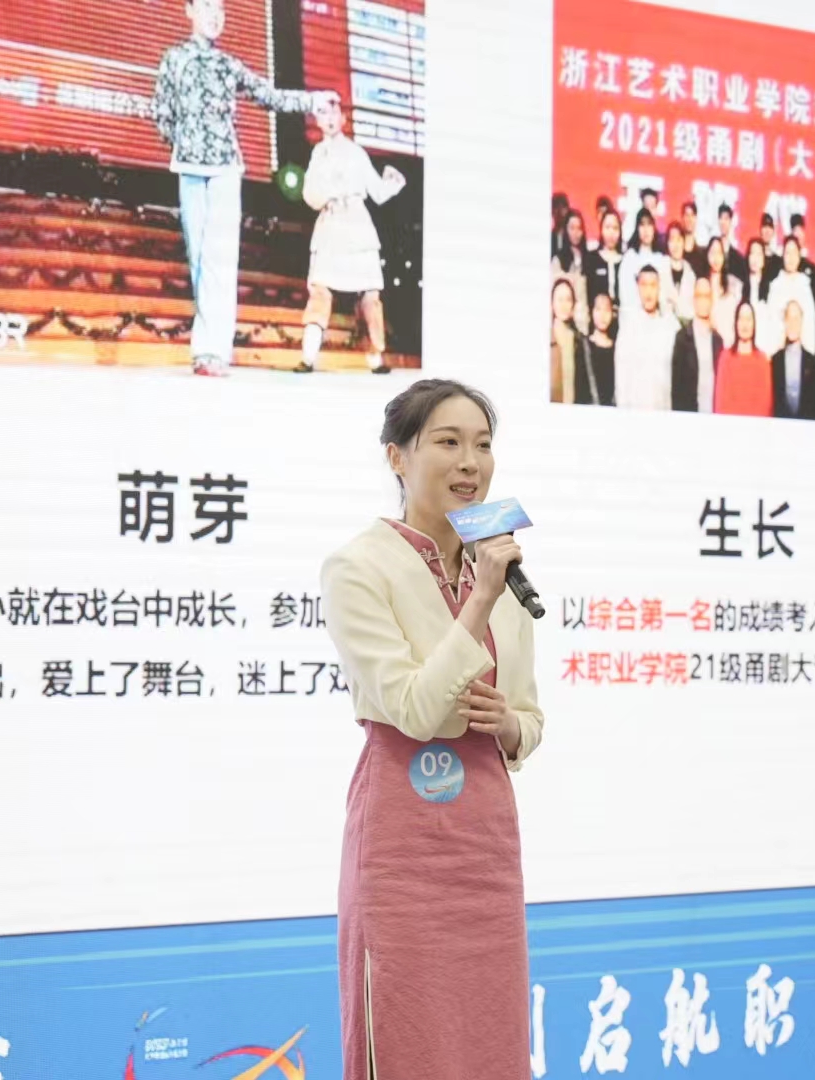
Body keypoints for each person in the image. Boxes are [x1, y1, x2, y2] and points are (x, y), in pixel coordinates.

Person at [321, 379, 545, 1080]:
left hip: (485, 842)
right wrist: (479, 598)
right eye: (448, 442)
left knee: (489, 1036)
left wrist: (510, 727)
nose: (469, 463)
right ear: (397, 457)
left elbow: (529, 717)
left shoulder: (500, 572)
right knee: (407, 1031)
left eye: (482, 445)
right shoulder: (358, 566)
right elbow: (414, 710)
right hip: (402, 844)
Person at [153, 0, 333, 377]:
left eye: (220, 10)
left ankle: (213, 352)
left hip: (225, 168)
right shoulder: (174, 59)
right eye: (206, 7)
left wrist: (313, 100)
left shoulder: (227, 64)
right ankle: (205, 349)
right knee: (198, 259)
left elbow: (269, 96)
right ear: (189, 11)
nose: (214, 16)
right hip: (189, 166)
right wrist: (185, 143)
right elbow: (162, 113)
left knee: (220, 260)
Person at [299, 94, 405, 374]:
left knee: (370, 295)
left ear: (343, 119)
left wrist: (392, 183)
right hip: (330, 225)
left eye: (334, 112)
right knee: (320, 291)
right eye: (324, 113)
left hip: (357, 227)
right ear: (317, 120)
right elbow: (309, 194)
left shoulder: (357, 153)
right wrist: (329, 194)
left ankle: (376, 358)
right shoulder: (317, 155)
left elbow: (377, 192)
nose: (330, 118)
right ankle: (308, 357)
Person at [614, 265, 679, 410]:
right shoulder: (628, 328)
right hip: (635, 409)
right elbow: (621, 377)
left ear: (659, 288)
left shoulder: (670, 325)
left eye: (653, 285)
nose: (648, 291)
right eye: (644, 285)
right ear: (637, 288)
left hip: (664, 407)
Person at [771, 300, 815, 420]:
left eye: (796, 319)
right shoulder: (775, 361)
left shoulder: (811, 362)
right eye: (789, 318)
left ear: (802, 322)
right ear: (784, 322)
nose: (793, 323)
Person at [671, 276, 723, 412]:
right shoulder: (682, 338)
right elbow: (677, 386)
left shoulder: (718, 340)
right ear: (693, 300)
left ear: (711, 300)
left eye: (707, 296)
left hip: (714, 412)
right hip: (690, 413)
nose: (703, 301)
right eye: (699, 296)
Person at [714, 301, 772, 417]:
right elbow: (720, 403)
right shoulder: (725, 358)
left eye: (748, 319)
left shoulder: (762, 361)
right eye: (741, 319)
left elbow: (766, 405)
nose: (745, 324)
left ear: (754, 324)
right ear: (735, 323)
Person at [764, 236, 815, 354]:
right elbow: (771, 322)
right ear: (783, 256)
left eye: (794, 253)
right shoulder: (775, 286)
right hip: (779, 348)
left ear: (799, 256)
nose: (791, 258)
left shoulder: (805, 284)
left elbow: (809, 322)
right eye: (787, 253)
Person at [548, 279, 593, 405]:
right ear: (552, 303)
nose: (563, 305)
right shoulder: (548, 340)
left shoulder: (580, 342)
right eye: (559, 300)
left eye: (568, 300)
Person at [549, 209, 590, 334]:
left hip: (583, 322)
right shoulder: (558, 260)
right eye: (572, 228)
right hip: (563, 322)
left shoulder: (589, 259)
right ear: (565, 230)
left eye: (579, 228)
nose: (576, 233)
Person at [584, 209, 624, 319]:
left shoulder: (625, 261)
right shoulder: (591, 258)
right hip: (597, 320)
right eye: (607, 227)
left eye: (615, 228)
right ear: (601, 229)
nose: (611, 233)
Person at [619, 208, 663, 305]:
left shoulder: (660, 259)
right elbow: (625, 294)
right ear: (637, 228)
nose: (646, 230)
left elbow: (663, 292)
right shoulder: (629, 258)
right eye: (642, 225)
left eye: (649, 224)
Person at [702, 237, 741, 343]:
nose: (716, 258)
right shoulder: (703, 284)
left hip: (729, 338)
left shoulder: (734, 284)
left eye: (719, 253)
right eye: (712, 253)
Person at [584, 291, 617, 407]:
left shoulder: (617, 349)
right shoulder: (585, 346)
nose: (602, 315)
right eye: (598, 309)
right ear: (591, 312)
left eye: (606, 310)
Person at [658, 221, 697, 322]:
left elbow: (691, 311)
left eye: (679, 239)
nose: (675, 245)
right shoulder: (660, 268)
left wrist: (675, 301)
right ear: (667, 243)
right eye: (672, 240)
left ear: (684, 242)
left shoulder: (690, 274)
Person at [717, 204, 748, 282]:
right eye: (720, 218)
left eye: (726, 218)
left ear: (731, 221)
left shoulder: (738, 258)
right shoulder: (712, 251)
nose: (723, 222)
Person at [681, 201, 708, 277]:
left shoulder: (702, 254)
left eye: (692, 215)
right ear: (682, 218)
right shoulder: (676, 251)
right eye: (687, 215)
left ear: (696, 219)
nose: (689, 219)